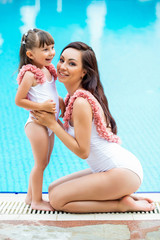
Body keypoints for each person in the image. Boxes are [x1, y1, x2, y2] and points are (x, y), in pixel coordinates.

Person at [31, 41, 155, 213]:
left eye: (72, 63)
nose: (62, 67)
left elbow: (83, 151)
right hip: (111, 169)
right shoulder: (72, 98)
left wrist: (53, 124)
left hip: (122, 172)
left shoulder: (81, 102)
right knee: (53, 189)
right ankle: (121, 195)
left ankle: (121, 204)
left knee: (58, 200)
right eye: (62, 60)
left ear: (84, 72)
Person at [15, 28, 65, 211]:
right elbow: (19, 100)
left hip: (48, 125)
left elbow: (49, 92)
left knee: (44, 162)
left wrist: (60, 102)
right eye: (45, 49)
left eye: (52, 47)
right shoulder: (30, 74)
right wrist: (42, 107)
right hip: (36, 124)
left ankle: (30, 197)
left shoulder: (49, 71)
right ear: (30, 54)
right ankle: (36, 201)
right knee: (40, 164)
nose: (51, 53)